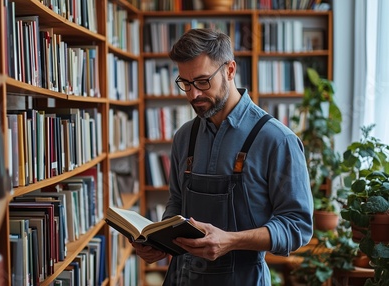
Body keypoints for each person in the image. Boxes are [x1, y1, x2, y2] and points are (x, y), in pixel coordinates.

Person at [131, 28, 314, 285]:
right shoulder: (185, 136)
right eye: (185, 83)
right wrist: (161, 243)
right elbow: (177, 202)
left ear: (229, 70)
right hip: (181, 278)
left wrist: (230, 241)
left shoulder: (277, 140)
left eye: (203, 81)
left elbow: (298, 227)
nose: (193, 94)